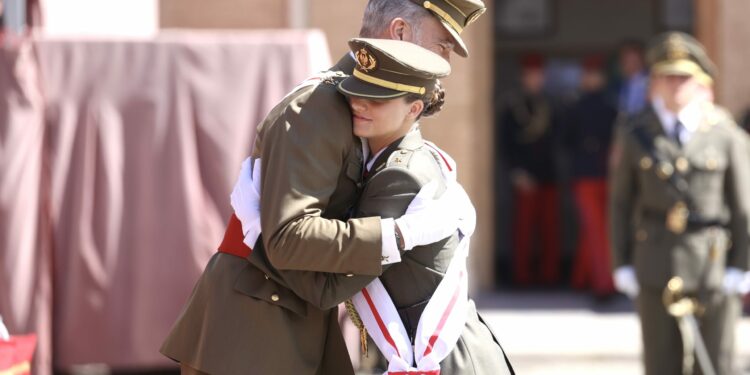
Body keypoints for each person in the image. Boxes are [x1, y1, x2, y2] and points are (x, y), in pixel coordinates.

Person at [160, 1, 489, 374]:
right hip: (254, 328)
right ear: (400, 34)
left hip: (297, 313)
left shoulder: (368, 112)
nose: (446, 60)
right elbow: (288, 239)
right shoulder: (320, 107)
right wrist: (396, 235)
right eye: (442, 45)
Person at [609, 31, 750, 375]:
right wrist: (622, 262)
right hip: (656, 261)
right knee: (661, 363)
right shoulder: (635, 133)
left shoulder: (725, 134)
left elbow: (743, 205)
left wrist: (742, 265)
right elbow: (621, 203)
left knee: (715, 363)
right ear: (653, 82)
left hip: (713, 264)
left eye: (683, 77)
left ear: (700, 82)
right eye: (667, 77)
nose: (675, 85)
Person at [499, 53, 561, 286]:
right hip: (523, 174)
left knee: (550, 228)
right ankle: (521, 277)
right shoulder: (512, 104)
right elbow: (506, 142)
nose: (535, 79)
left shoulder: (551, 104)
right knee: (523, 230)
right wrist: (516, 171)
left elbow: (556, 140)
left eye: (539, 75)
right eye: (531, 75)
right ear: (523, 77)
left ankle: (550, 276)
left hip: (548, 173)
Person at [564, 54, 618, 297]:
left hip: (597, 174)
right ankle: (599, 282)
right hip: (590, 175)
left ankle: (595, 282)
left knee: (596, 230)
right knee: (596, 229)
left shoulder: (606, 106)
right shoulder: (602, 105)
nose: (592, 79)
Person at [616, 39, 649, 116]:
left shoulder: (650, 81)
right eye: (625, 60)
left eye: (633, 60)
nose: (629, 64)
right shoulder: (619, 83)